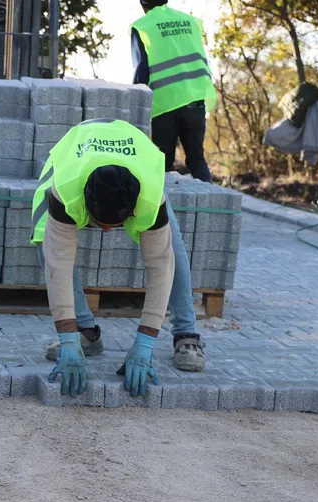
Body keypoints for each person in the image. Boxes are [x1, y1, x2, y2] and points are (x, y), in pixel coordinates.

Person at [32, 118, 178, 398]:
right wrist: (67, 336)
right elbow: (58, 265)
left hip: (135, 151)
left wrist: (145, 342)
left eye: (116, 224)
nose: (109, 231)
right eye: (102, 223)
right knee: (46, 242)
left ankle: (187, 334)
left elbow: (160, 266)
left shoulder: (150, 195)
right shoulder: (65, 188)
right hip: (75, 153)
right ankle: (83, 333)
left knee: (171, 252)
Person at [131, 0, 218, 183]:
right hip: (195, 98)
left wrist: (135, 106)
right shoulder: (189, 21)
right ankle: (213, 207)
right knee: (196, 159)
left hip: (164, 104)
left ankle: (164, 210)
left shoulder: (142, 26)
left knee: (163, 163)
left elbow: (141, 72)